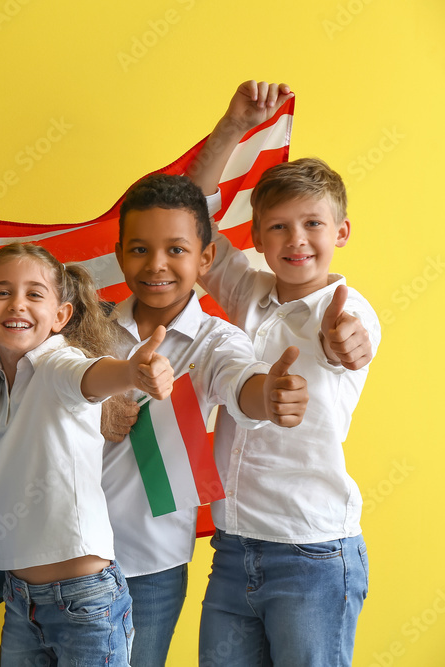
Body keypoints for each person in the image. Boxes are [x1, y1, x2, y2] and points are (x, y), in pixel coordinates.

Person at [187, 81, 378, 666]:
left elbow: (355, 342)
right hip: (234, 547)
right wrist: (231, 126)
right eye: (279, 227)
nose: (297, 240)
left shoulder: (348, 310)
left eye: (313, 225)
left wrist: (345, 342)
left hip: (313, 554)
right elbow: (189, 216)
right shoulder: (247, 289)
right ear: (258, 239)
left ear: (340, 233)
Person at [101, 172, 309, 667]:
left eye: (176, 250)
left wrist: (269, 395)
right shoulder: (89, 328)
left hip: (147, 564)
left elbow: (241, 382)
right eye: (139, 250)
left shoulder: (216, 341)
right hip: (59, 555)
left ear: (206, 258)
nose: (156, 266)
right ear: (118, 255)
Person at [0, 242, 174, 666]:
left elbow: (90, 376)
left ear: (61, 316)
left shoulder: (57, 363)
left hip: (85, 601)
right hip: (21, 602)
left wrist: (131, 371)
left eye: (34, 294)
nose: (17, 304)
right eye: (2, 292)